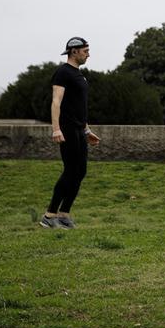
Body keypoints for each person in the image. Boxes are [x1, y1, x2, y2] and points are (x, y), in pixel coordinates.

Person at [40, 37, 100, 229]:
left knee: (80, 171)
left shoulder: (79, 75)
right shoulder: (63, 73)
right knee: (70, 170)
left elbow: (78, 106)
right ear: (74, 52)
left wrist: (87, 129)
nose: (88, 54)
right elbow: (56, 101)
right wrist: (56, 128)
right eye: (85, 50)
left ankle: (64, 214)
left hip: (79, 130)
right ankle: (49, 215)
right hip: (66, 129)